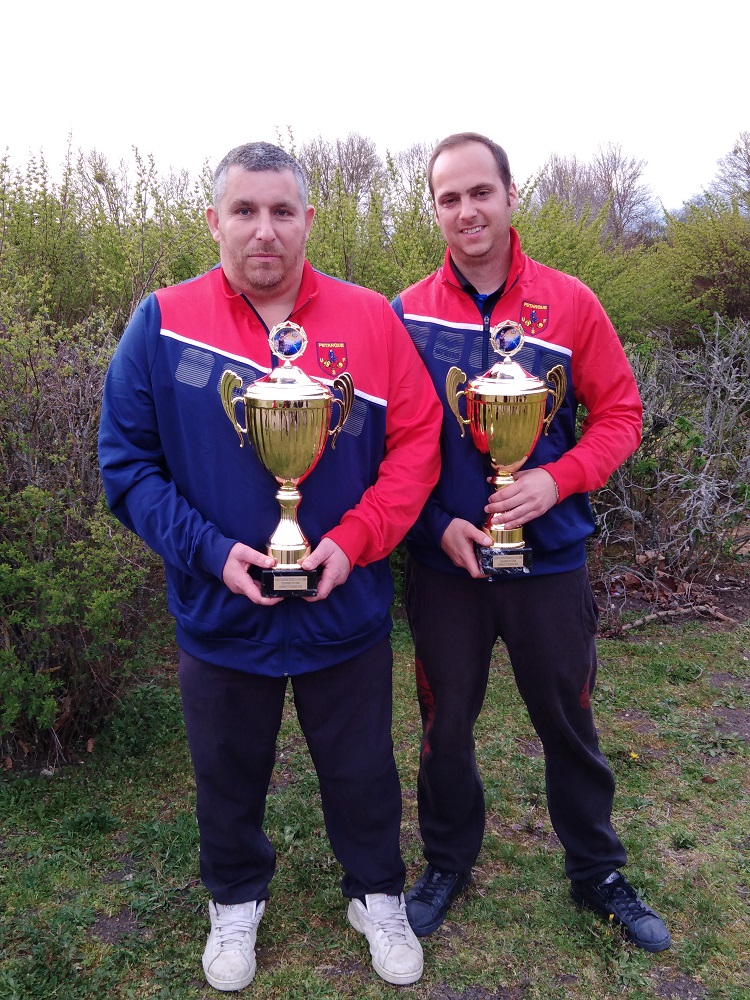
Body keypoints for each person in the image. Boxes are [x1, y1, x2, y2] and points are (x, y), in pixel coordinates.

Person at [98, 142, 443, 991]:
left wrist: (355, 539)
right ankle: (235, 899)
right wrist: (210, 553)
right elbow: (127, 464)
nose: (264, 229)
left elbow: (418, 445)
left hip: (342, 603)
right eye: (244, 211)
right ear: (213, 220)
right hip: (221, 612)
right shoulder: (162, 320)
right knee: (227, 768)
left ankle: (375, 893)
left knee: (363, 766)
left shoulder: (369, 320)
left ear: (308, 222)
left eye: (281, 211)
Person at [391, 132, 671, 953]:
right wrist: (433, 524)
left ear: (512, 196)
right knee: (444, 726)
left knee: (569, 720)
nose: (467, 210)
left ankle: (596, 872)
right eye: (449, 197)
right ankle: (446, 863)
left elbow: (622, 415)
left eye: (481, 192)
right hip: (447, 563)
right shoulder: (404, 313)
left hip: (549, 559)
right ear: (435, 210)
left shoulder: (571, 302)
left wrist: (560, 477)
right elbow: (384, 445)